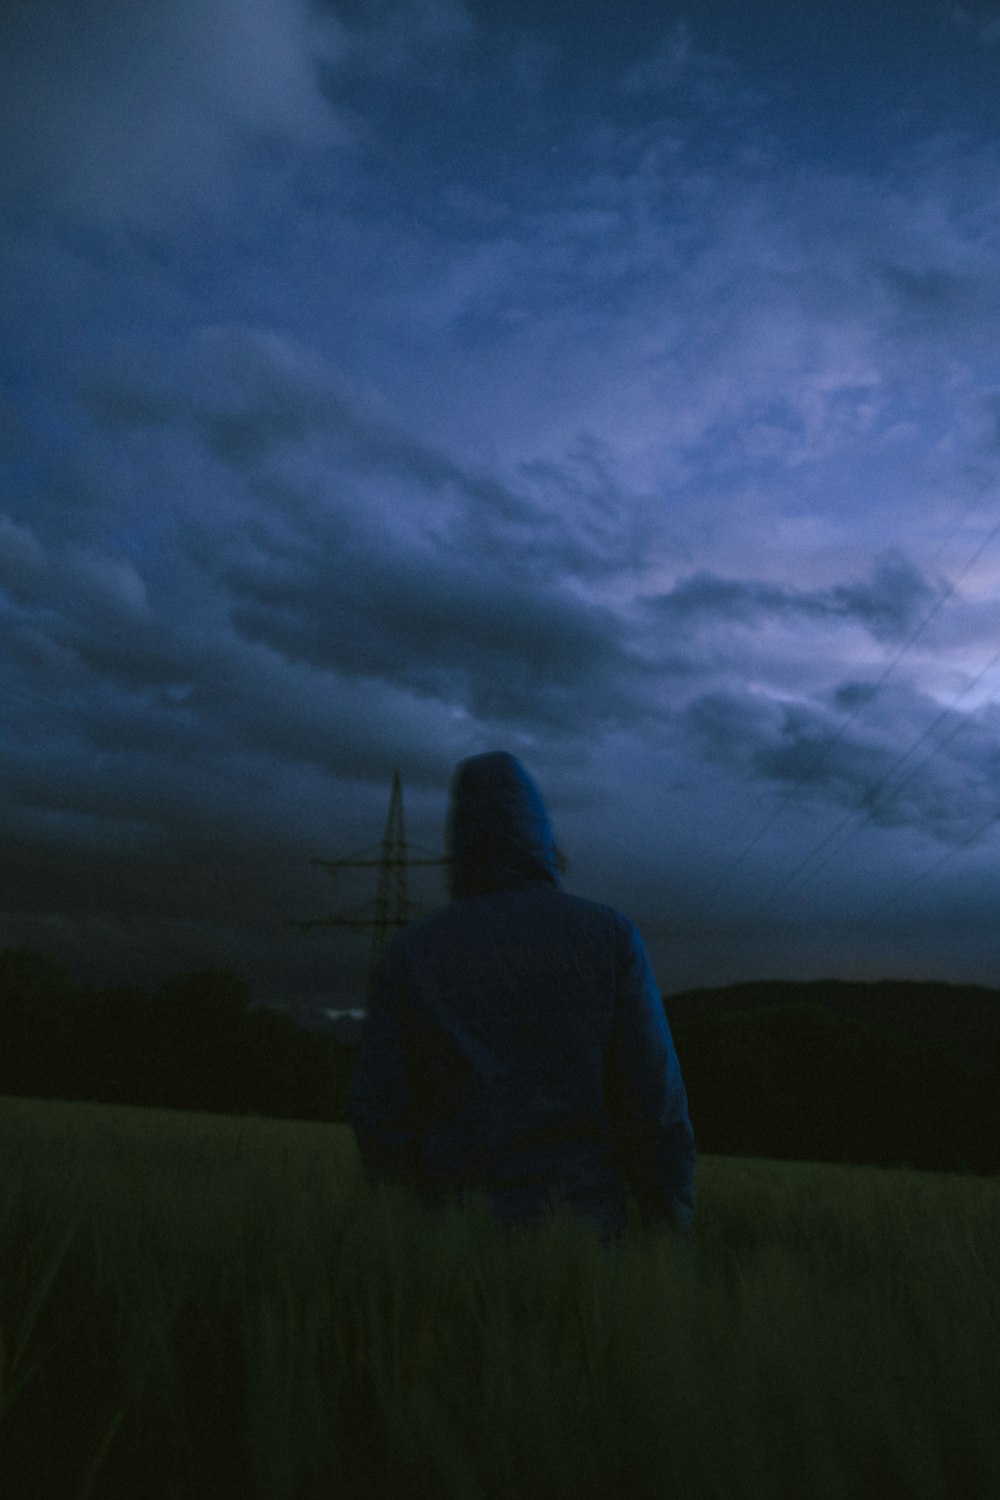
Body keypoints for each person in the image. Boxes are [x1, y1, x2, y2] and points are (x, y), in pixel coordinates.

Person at [349, 750, 695, 1255]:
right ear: (540, 832)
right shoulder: (611, 937)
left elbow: (380, 1112)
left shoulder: (410, 954)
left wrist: (407, 1225)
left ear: (459, 838)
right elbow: (654, 1103)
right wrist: (669, 1231)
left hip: (448, 1244)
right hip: (587, 1243)